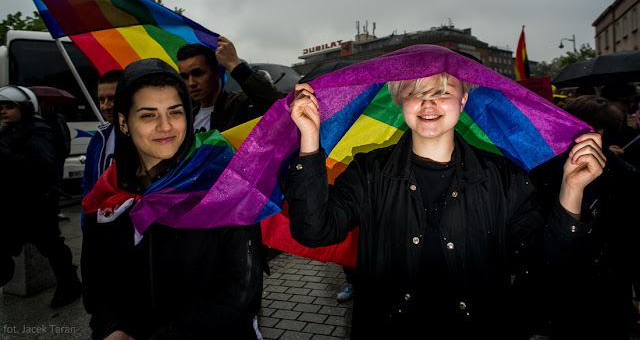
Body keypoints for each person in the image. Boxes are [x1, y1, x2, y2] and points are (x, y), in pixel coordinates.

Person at [284, 73, 605, 339]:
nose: (428, 103)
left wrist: (572, 189)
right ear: (400, 101)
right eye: (414, 91)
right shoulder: (369, 172)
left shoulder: (504, 178)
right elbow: (315, 230)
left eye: (443, 91)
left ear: (463, 99)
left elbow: (544, 261)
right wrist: (310, 140)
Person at [81, 58, 263, 340]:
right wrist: (109, 328)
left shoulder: (222, 186)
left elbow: (241, 293)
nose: (165, 126)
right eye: (148, 115)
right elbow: (98, 284)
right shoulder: (107, 198)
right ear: (123, 123)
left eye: (175, 112)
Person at [529, 95, 640, 339]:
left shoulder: (627, 177)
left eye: (572, 126)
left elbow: (632, 240)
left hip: (607, 294)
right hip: (561, 293)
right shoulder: (545, 168)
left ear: (597, 132)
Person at [0, 85, 82, 308]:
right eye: (1, 107)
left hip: (38, 202)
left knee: (51, 246)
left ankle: (70, 284)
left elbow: (43, 166)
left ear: (24, 108)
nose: (3, 111)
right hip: (13, 203)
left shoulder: (39, 130)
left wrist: (8, 157)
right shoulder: (8, 131)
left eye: (9, 106)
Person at [177, 36, 283, 133]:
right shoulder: (185, 118)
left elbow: (278, 106)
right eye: (185, 77)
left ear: (217, 73)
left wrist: (235, 65)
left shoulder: (240, 105)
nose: (191, 83)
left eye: (198, 73)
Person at [81, 70, 122, 198]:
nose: (105, 106)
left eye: (112, 99)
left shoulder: (147, 137)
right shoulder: (100, 137)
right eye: (101, 100)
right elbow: (88, 185)